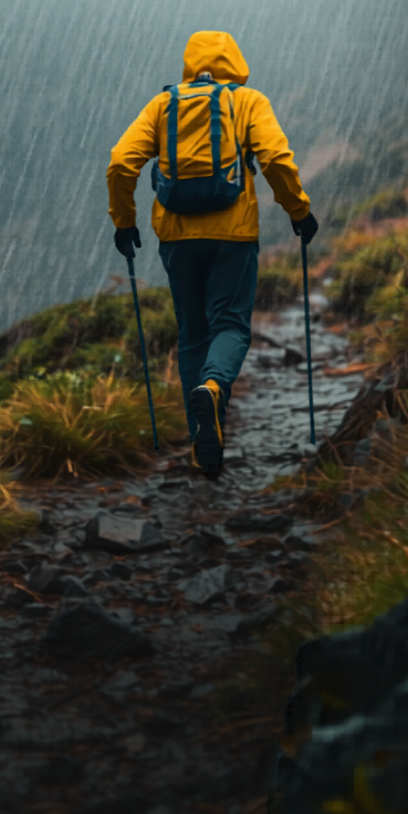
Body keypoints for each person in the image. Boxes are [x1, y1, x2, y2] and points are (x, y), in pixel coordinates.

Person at [106, 30, 318, 479]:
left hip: (177, 239)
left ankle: (204, 447)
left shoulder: (162, 105)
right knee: (231, 326)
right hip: (233, 236)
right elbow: (277, 159)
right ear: (235, 62)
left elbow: (121, 162)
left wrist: (124, 222)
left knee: (192, 335)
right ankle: (214, 385)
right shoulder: (247, 101)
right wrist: (299, 212)